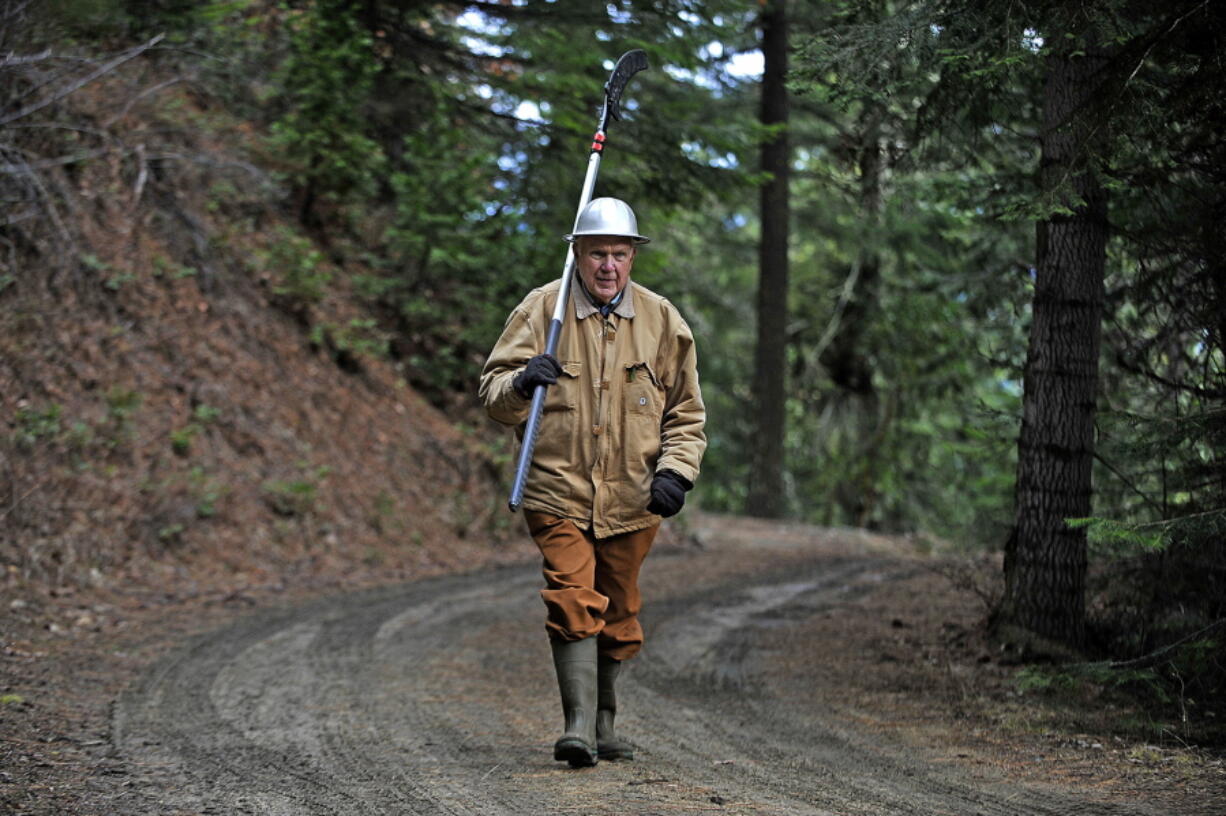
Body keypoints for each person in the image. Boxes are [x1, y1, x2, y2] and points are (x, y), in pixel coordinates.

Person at [479, 197, 706, 767]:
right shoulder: (542, 311)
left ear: (633, 258)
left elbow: (686, 413)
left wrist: (676, 473)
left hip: (634, 498)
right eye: (598, 253)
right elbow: (494, 394)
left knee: (621, 609)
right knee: (573, 596)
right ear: (577, 254)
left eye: (620, 254)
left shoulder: (661, 321)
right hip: (556, 491)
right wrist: (521, 383)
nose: (608, 266)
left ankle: (606, 723)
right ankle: (576, 725)